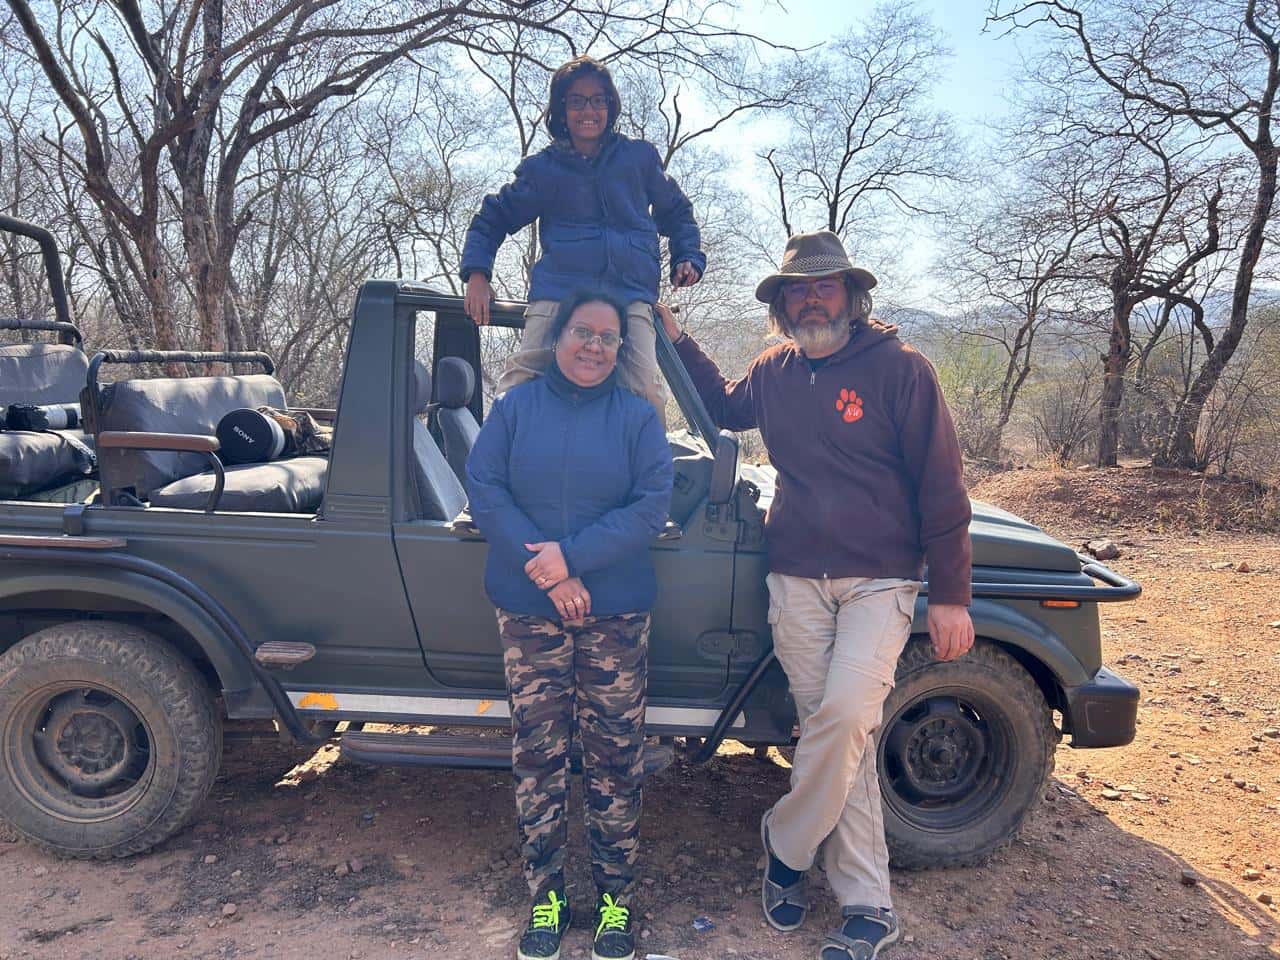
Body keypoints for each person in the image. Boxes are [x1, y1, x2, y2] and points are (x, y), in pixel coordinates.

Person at [656, 230, 975, 960]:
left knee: (845, 716)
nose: (809, 299)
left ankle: (786, 841)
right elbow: (726, 406)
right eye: (795, 290)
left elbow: (942, 484)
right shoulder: (776, 369)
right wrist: (675, 333)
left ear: (852, 296)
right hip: (795, 574)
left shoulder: (902, 370)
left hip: (880, 579)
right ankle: (868, 907)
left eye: (822, 286)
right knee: (837, 738)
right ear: (781, 304)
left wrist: (952, 594)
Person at [466, 290, 673, 960]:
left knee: (616, 758)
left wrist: (574, 557)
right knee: (539, 756)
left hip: (615, 613)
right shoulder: (517, 408)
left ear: (622, 350)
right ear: (556, 338)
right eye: (582, 332)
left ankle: (616, 902)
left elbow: (650, 506)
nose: (594, 347)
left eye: (609, 338)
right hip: (530, 613)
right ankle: (546, 897)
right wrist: (551, 570)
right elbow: (485, 487)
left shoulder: (638, 418)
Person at [459, 54, 705, 426]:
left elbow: (677, 213)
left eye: (597, 100)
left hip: (629, 291)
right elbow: (493, 217)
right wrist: (477, 274)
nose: (588, 110)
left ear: (610, 106)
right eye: (576, 101)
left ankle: (642, 476)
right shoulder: (543, 169)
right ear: (561, 109)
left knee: (647, 391)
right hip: (560, 290)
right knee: (521, 382)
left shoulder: (638, 159)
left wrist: (687, 256)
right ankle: (500, 466)